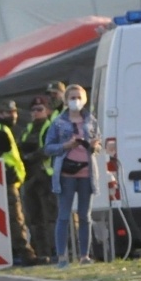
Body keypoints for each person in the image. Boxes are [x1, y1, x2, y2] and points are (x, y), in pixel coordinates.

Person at [44, 84, 97, 268]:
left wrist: (94, 145)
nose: (76, 101)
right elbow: (48, 147)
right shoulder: (58, 122)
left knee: (85, 216)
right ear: (66, 101)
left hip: (86, 173)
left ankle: (84, 256)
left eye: (78, 97)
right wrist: (66, 145)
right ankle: (62, 257)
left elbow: (97, 142)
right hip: (66, 174)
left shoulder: (91, 120)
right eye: (72, 97)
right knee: (64, 216)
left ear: (84, 99)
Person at [0, 98, 39, 265]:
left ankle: (20, 252)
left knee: (15, 218)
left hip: (10, 181)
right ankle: (26, 254)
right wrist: (6, 171)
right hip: (6, 182)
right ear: (0, 114)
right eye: (9, 112)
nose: (13, 115)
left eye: (14, 112)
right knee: (15, 219)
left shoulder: (5, 129)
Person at [18, 95, 57, 259]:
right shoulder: (28, 129)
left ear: (47, 111)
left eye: (39, 109)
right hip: (29, 178)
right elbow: (19, 146)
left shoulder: (50, 127)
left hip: (45, 178)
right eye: (33, 110)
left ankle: (55, 252)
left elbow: (48, 149)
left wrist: (31, 156)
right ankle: (41, 253)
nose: (36, 113)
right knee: (34, 219)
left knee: (50, 218)